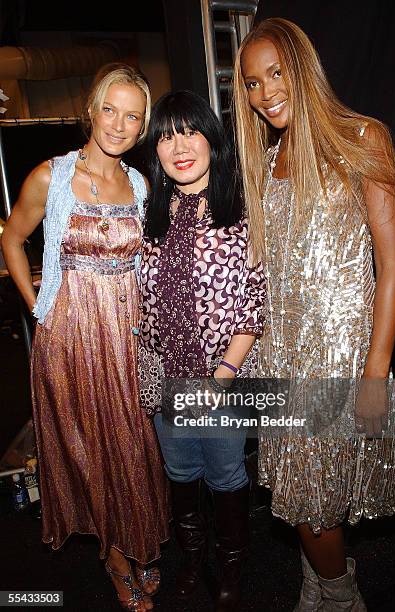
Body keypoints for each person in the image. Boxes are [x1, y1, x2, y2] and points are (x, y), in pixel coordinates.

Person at [232, 17, 395, 612]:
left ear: (302, 67)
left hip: (339, 356)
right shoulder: (268, 157)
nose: (265, 92)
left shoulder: (364, 138)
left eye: (276, 73)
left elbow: (392, 265)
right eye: (252, 83)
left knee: (312, 503)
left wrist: (377, 369)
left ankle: (339, 594)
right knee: (304, 496)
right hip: (282, 352)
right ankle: (322, 580)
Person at [2, 64, 170, 612]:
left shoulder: (140, 184)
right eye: (111, 110)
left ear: (142, 126)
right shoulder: (50, 177)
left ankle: (136, 533)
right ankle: (117, 557)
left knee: (134, 443)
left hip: (126, 337)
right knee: (90, 448)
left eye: (133, 116)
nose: (120, 125)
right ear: (92, 109)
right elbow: (11, 239)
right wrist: (38, 310)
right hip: (71, 337)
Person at [138, 90, 266, 611]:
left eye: (190, 131)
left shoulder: (241, 209)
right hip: (166, 377)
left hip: (221, 379)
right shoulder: (154, 211)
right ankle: (193, 560)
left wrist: (224, 375)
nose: (178, 146)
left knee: (227, 476)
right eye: (166, 136)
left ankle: (230, 565)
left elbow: (254, 304)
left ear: (212, 140)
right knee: (181, 477)